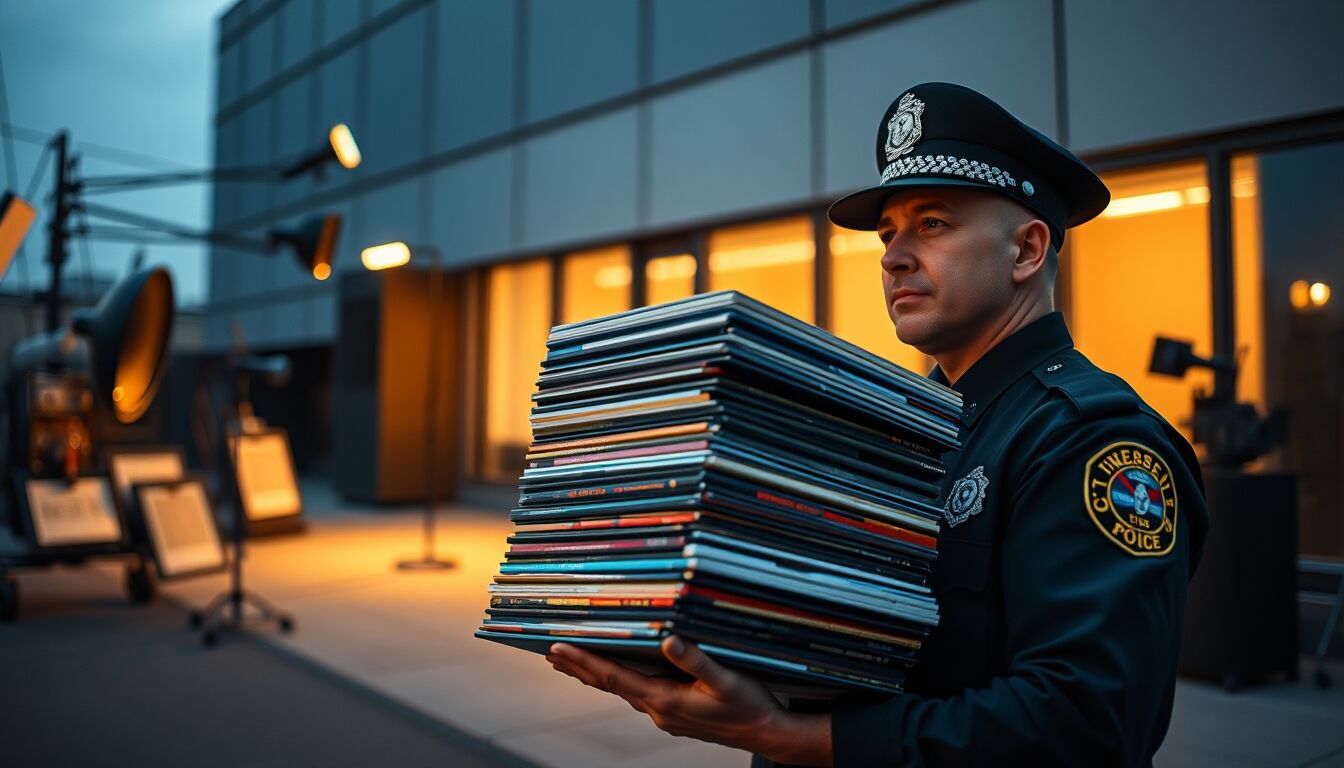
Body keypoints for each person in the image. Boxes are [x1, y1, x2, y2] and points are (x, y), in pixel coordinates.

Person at [546, 81, 1210, 767]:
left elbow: (1086, 725)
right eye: (889, 234)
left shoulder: (1092, 441)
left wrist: (790, 737)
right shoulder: (898, 429)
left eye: (933, 224)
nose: (893, 256)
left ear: (1026, 251)